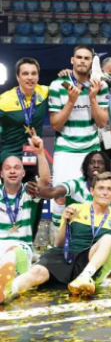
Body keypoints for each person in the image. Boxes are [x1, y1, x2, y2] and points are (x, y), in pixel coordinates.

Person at [0, 173, 111, 304]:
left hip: (88, 258)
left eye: (109, 189)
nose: (105, 193)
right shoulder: (75, 209)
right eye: (101, 188)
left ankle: (87, 276)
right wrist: (65, 221)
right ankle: (8, 289)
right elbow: (59, 243)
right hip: (65, 255)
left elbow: (108, 250)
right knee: (36, 272)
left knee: (109, 238)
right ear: (92, 191)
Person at [48, 45, 109, 231]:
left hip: (90, 151)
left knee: (91, 197)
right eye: (79, 57)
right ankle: (57, 240)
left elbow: (102, 122)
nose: (82, 61)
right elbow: (55, 124)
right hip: (66, 150)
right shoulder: (57, 85)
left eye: (86, 58)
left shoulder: (100, 86)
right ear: (72, 60)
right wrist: (71, 101)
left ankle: (88, 238)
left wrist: (93, 98)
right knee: (59, 196)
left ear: (91, 62)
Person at [0, 58, 49, 238]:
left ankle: (29, 239)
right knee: (6, 199)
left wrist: (65, 74)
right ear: (17, 77)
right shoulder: (4, 100)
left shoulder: (44, 92)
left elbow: (69, 85)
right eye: (25, 74)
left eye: (33, 73)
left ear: (38, 76)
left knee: (37, 193)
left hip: (32, 156)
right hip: (9, 157)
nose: (30, 77)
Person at [0, 135, 50, 279]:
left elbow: (45, 181)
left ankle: (11, 280)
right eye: (8, 168)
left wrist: (40, 153)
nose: (12, 171)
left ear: (23, 173)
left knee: (14, 253)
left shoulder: (29, 191)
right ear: (1, 174)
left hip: (22, 247)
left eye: (17, 168)